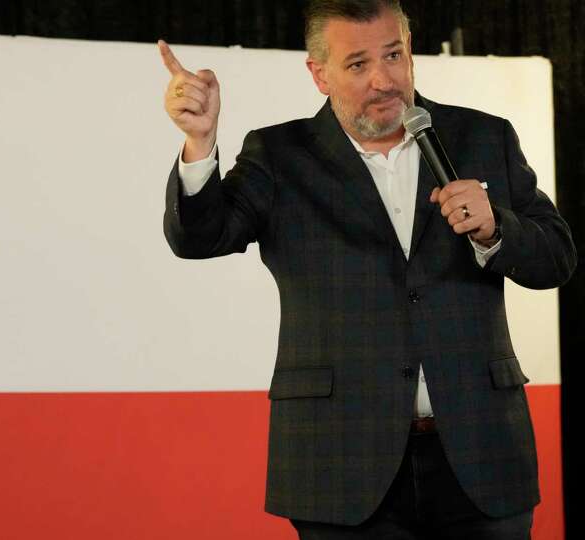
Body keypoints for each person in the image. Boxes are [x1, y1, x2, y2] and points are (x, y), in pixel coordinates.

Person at [157, 1, 576, 538]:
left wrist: (497, 229)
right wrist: (200, 143)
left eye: (394, 55)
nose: (384, 80)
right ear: (319, 74)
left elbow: (557, 258)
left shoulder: (483, 136)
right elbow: (200, 238)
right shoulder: (279, 155)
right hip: (339, 462)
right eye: (358, 64)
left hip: (482, 453)